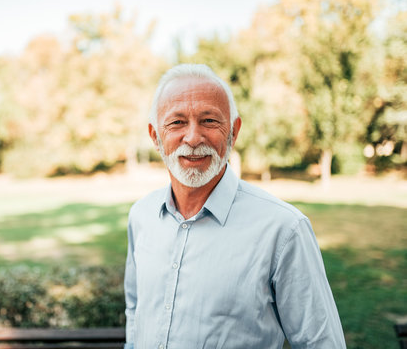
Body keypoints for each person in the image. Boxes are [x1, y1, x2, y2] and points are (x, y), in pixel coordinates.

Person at [124, 64, 346, 349]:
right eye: (177, 122)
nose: (193, 138)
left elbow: (322, 343)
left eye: (209, 121)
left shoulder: (284, 229)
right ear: (155, 136)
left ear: (233, 131)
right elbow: (135, 308)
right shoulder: (141, 216)